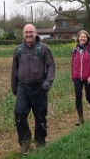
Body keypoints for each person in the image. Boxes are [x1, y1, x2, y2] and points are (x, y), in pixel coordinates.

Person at [11, 24, 55, 154]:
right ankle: (24, 142)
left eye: (31, 32)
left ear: (36, 33)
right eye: (26, 32)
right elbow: (14, 69)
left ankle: (40, 142)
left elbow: (51, 66)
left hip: (39, 87)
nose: (28, 34)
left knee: (40, 115)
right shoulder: (18, 49)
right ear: (23, 34)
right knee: (19, 114)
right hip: (23, 87)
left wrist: (47, 83)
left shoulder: (44, 48)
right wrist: (14, 87)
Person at [71, 30, 90, 126]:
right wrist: (73, 77)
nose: (82, 38)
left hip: (89, 78)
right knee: (78, 96)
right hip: (77, 77)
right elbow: (73, 65)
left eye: (84, 37)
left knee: (89, 96)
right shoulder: (75, 50)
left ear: (87, 39)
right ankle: (80, 118)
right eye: (81, 37)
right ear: (78, 38)